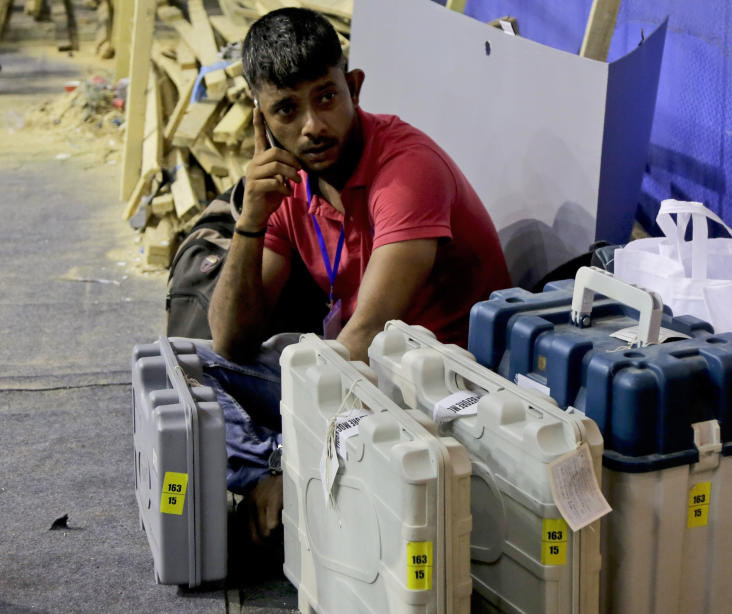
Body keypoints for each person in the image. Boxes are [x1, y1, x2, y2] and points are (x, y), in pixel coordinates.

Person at [197, 7, 511, 546]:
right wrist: (250, 221)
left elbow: (364, 337)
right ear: (262, 119)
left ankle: (284, 482)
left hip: (438, 395)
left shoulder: (407, 171)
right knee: (186, 368)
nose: (313, 126)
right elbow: (231, 339)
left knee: (311, 367)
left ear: (354, 88)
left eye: (326, 97)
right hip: (363, 378)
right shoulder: (287, 180)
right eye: (287, 110)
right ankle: (276, 475)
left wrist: (298, 426)